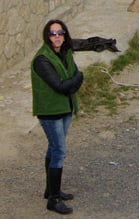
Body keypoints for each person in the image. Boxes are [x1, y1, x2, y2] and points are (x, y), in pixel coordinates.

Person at [31, 19, 84, 215]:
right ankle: (53, 200)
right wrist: (75, 80)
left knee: (54, 148)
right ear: (47, 36)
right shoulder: (42, 60)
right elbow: (61, 85)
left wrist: (74, 80)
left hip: (65, 108)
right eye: (53, 34)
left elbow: (75, 75)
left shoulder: (65, 53)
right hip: (50, 111)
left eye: (60, 32)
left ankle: (50, 190)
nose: (57, 37)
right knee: (59, 151)